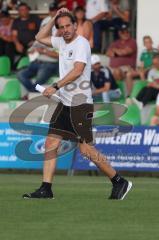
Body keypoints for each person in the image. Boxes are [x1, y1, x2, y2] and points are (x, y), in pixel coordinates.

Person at [23, 8, 132, 200]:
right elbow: (39, 36)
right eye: (61, 26)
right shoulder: (60, 41)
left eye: (68, 26)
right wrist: (54, 18)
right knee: (50, 143)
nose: (65, 29)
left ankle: (119, 180)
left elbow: (77, 70)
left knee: (86, 149)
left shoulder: (81, 43)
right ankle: (46, 188)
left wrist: (54, 86)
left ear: (75, 26)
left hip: (80, 105)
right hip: (65, 103)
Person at [16, 3, 59, 93]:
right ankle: (33, 93)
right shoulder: (40, 39)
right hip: (36, 62)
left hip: (49, 64)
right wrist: (31, 51)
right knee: (20, 74)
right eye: (44, 28)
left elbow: (58, 56)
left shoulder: (57, 39)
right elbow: (30, 51)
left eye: (47, 28)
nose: (45, 30)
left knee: (37, 84)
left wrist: (43, 51)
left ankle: (32, 94)